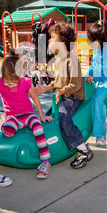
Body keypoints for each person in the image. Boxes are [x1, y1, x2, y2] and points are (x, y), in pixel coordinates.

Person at [0, 50, 54, 179]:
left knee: (38, 128)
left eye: (13, 82)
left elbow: (35, 99)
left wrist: (42, 115)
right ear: (2, 75)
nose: (10, 84)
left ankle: (45, 162)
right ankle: (6, 121)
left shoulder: (25, 82)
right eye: (7, 82)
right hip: (13, 117)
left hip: (28, 114)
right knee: (7, 131)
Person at [34, 22, 93, 169]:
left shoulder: (71, 59)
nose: (49, 40)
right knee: (49, 118)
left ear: (62, 42)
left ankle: (83, 150)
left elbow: (75, 85)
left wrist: (61, 91)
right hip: (63, 96)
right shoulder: (59, 59)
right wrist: (45, 88)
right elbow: (57, 82)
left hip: (72, 97)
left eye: (52, 37)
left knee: (63, 119)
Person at [84, 20, 107, 147]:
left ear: (100, 39)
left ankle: (100, 134)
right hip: (99, 81)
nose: (89, 43)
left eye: (92, 40)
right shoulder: (97, 49)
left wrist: (94, 78)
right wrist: (86, 75)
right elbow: (93, 66)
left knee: (97, 100)